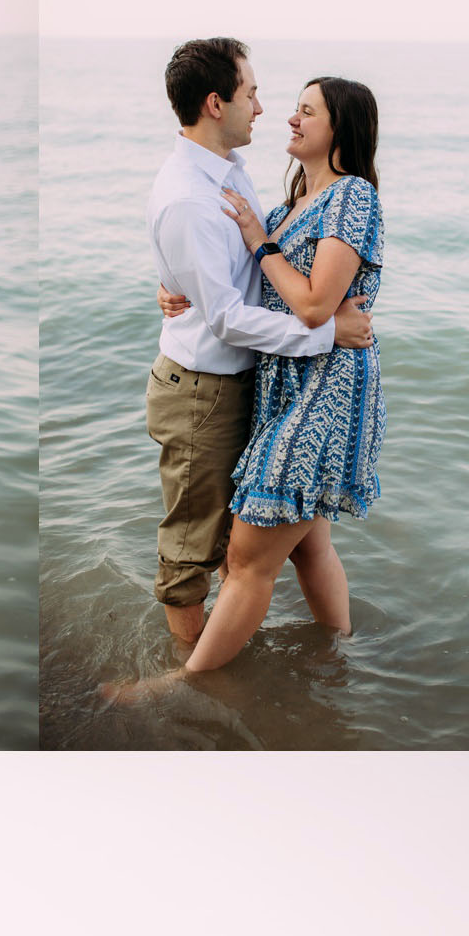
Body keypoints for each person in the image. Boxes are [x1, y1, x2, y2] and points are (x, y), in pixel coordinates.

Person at [131, 38, 373, 655]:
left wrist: (198, 275)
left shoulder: (234, 173)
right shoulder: (201, 190)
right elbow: (231, 313)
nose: (268, 110)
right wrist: (175, 283)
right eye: (254, 94)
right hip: (211, 388)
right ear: (217, 103)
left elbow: (274, 279)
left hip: (292, 386)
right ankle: (212, 673)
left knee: (264, 549)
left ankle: (209, 676)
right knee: (201, 548)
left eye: (302, 108)